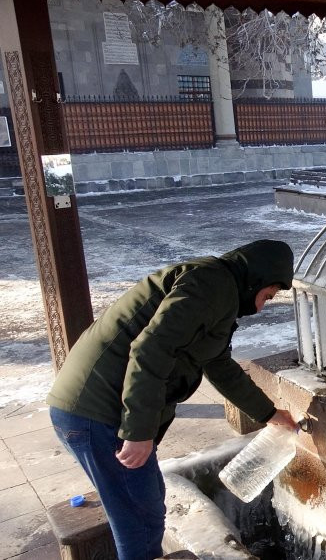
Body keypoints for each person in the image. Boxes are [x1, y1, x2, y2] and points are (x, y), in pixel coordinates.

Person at [46, 239, 300, 560]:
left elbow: (219, 365)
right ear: (256, 280)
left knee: (149, 504)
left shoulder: (216, 289)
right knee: (138, 519)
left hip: (98, 407)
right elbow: (151, 349)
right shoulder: (212, 285)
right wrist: (138, 431)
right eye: (267, 296)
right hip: (99, 412)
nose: (262, 307)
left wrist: (269, 413)